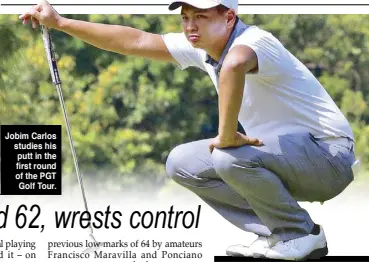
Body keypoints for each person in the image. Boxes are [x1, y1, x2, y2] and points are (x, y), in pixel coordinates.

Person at [20, 0, 356, 260]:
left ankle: (300, 233)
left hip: (329, 157)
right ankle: (281, 232)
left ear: (229, 17)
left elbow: (236, 64)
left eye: (201, 16)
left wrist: (226, 136)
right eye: (185, 17)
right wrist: (61, 23)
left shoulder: (256, 41)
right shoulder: (203, 47)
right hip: (288, 159)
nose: (190, 25)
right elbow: (135, 40)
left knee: (227, 157)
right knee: (182, 163)